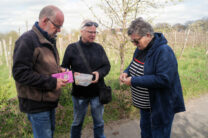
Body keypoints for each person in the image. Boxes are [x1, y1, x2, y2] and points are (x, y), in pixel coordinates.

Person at [119, 17, 185, 138]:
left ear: (148, 35)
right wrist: (126, 72)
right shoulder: (140, 49)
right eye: (132, 41)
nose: (134, 44)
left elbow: (164, 79)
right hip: (145, 107)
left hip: (159, 107)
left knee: (158, 134)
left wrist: (133, 81)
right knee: (146, 133)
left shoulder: (164, 51)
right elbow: (134, 63)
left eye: (136, 41)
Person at [12, 5, 67, 138]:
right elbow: (20, 73)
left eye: (61, 27)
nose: (59, 30)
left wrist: (58, 69)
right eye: (57, 26)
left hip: (49, 101)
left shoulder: (48, 40)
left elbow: (41, 65)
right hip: (36, 103)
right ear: (44, 21)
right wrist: (52, 82)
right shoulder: (27, 40)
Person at [61, 19, 111, 138]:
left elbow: (107, 66)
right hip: (79, 94)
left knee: (99, 123)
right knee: (77, 123)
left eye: (95, 32)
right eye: (90, 32)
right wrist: (73, 75)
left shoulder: (99, 48)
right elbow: (63, 68)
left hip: (97, 93)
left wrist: (99, 73)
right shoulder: (71, 48)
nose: (93, 35)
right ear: (82, 31)